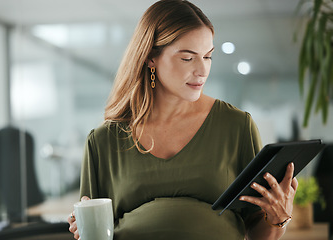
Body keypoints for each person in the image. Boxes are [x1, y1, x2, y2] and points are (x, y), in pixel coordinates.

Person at [68, 0, 298, 239]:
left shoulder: (237, 126)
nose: (202, 70)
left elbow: (257, 232)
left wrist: (278, 217)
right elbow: (94, 232)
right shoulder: (104, 141)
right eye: (188, 58)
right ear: (150, 57)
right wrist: (81, 228)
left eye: (207, 56)